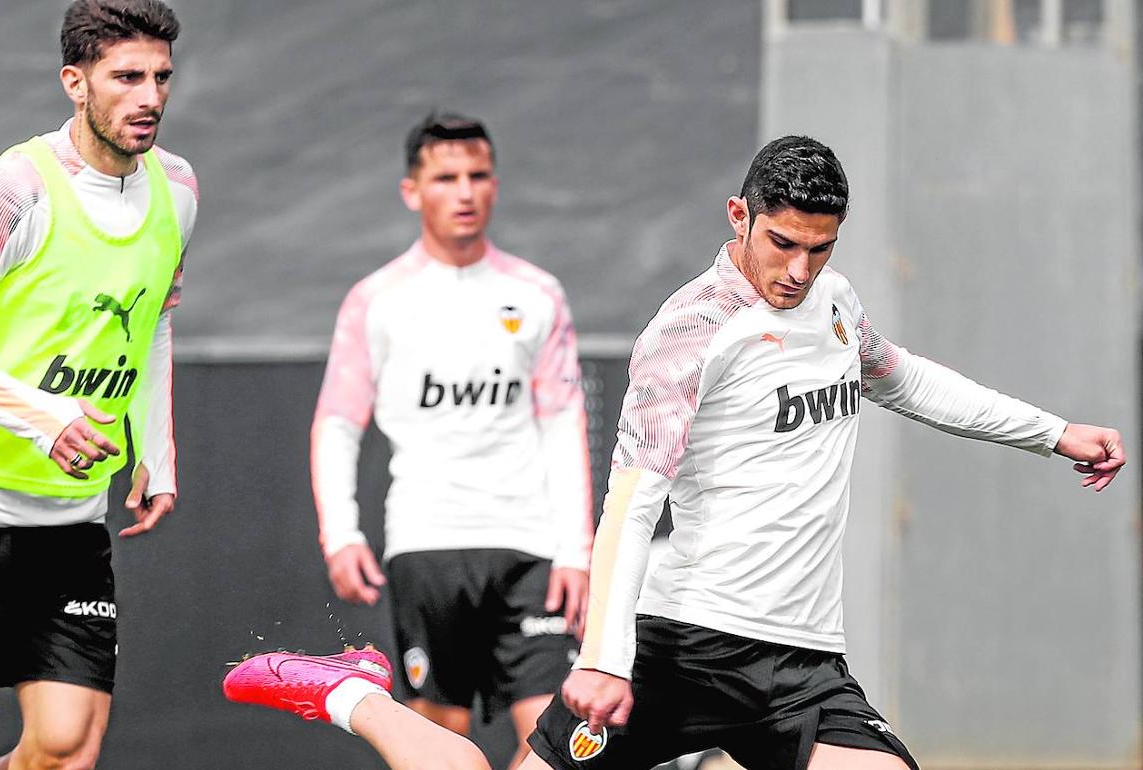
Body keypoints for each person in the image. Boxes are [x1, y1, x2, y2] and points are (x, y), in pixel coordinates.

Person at [228, 135, 1125, 770]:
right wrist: (607, 655)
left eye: (820, 249)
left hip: (803, 662)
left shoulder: (836, 304)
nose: (798, 271)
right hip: (681, 645)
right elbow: (632, 503)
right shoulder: (689, 332)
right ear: (739, 215)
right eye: (781, 243)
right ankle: (354, 695)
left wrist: (1052, 433)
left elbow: (905, 379)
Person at [0, 1, 197, 768]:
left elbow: (153, 317)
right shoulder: (13, 192)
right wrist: (44, 419)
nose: (150, 96)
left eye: (161, 76)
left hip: (70, 522)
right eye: (126, 77)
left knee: (65, 749)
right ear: (76, 81)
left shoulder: (179, 189)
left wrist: (154, 451)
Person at [309, 111, 594, 768]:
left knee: (561, 746)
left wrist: (576, 551)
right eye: (445, 178)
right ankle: (356, 698)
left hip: (530, 549)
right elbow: (337, 422)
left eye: (478, 175)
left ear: (495, 183)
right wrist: (342, 533)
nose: (464, 192)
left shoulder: (538, 294)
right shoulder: (376, 300)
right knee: (437, 741)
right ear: (413, 191)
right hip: (428, 544)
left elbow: (563, 424)